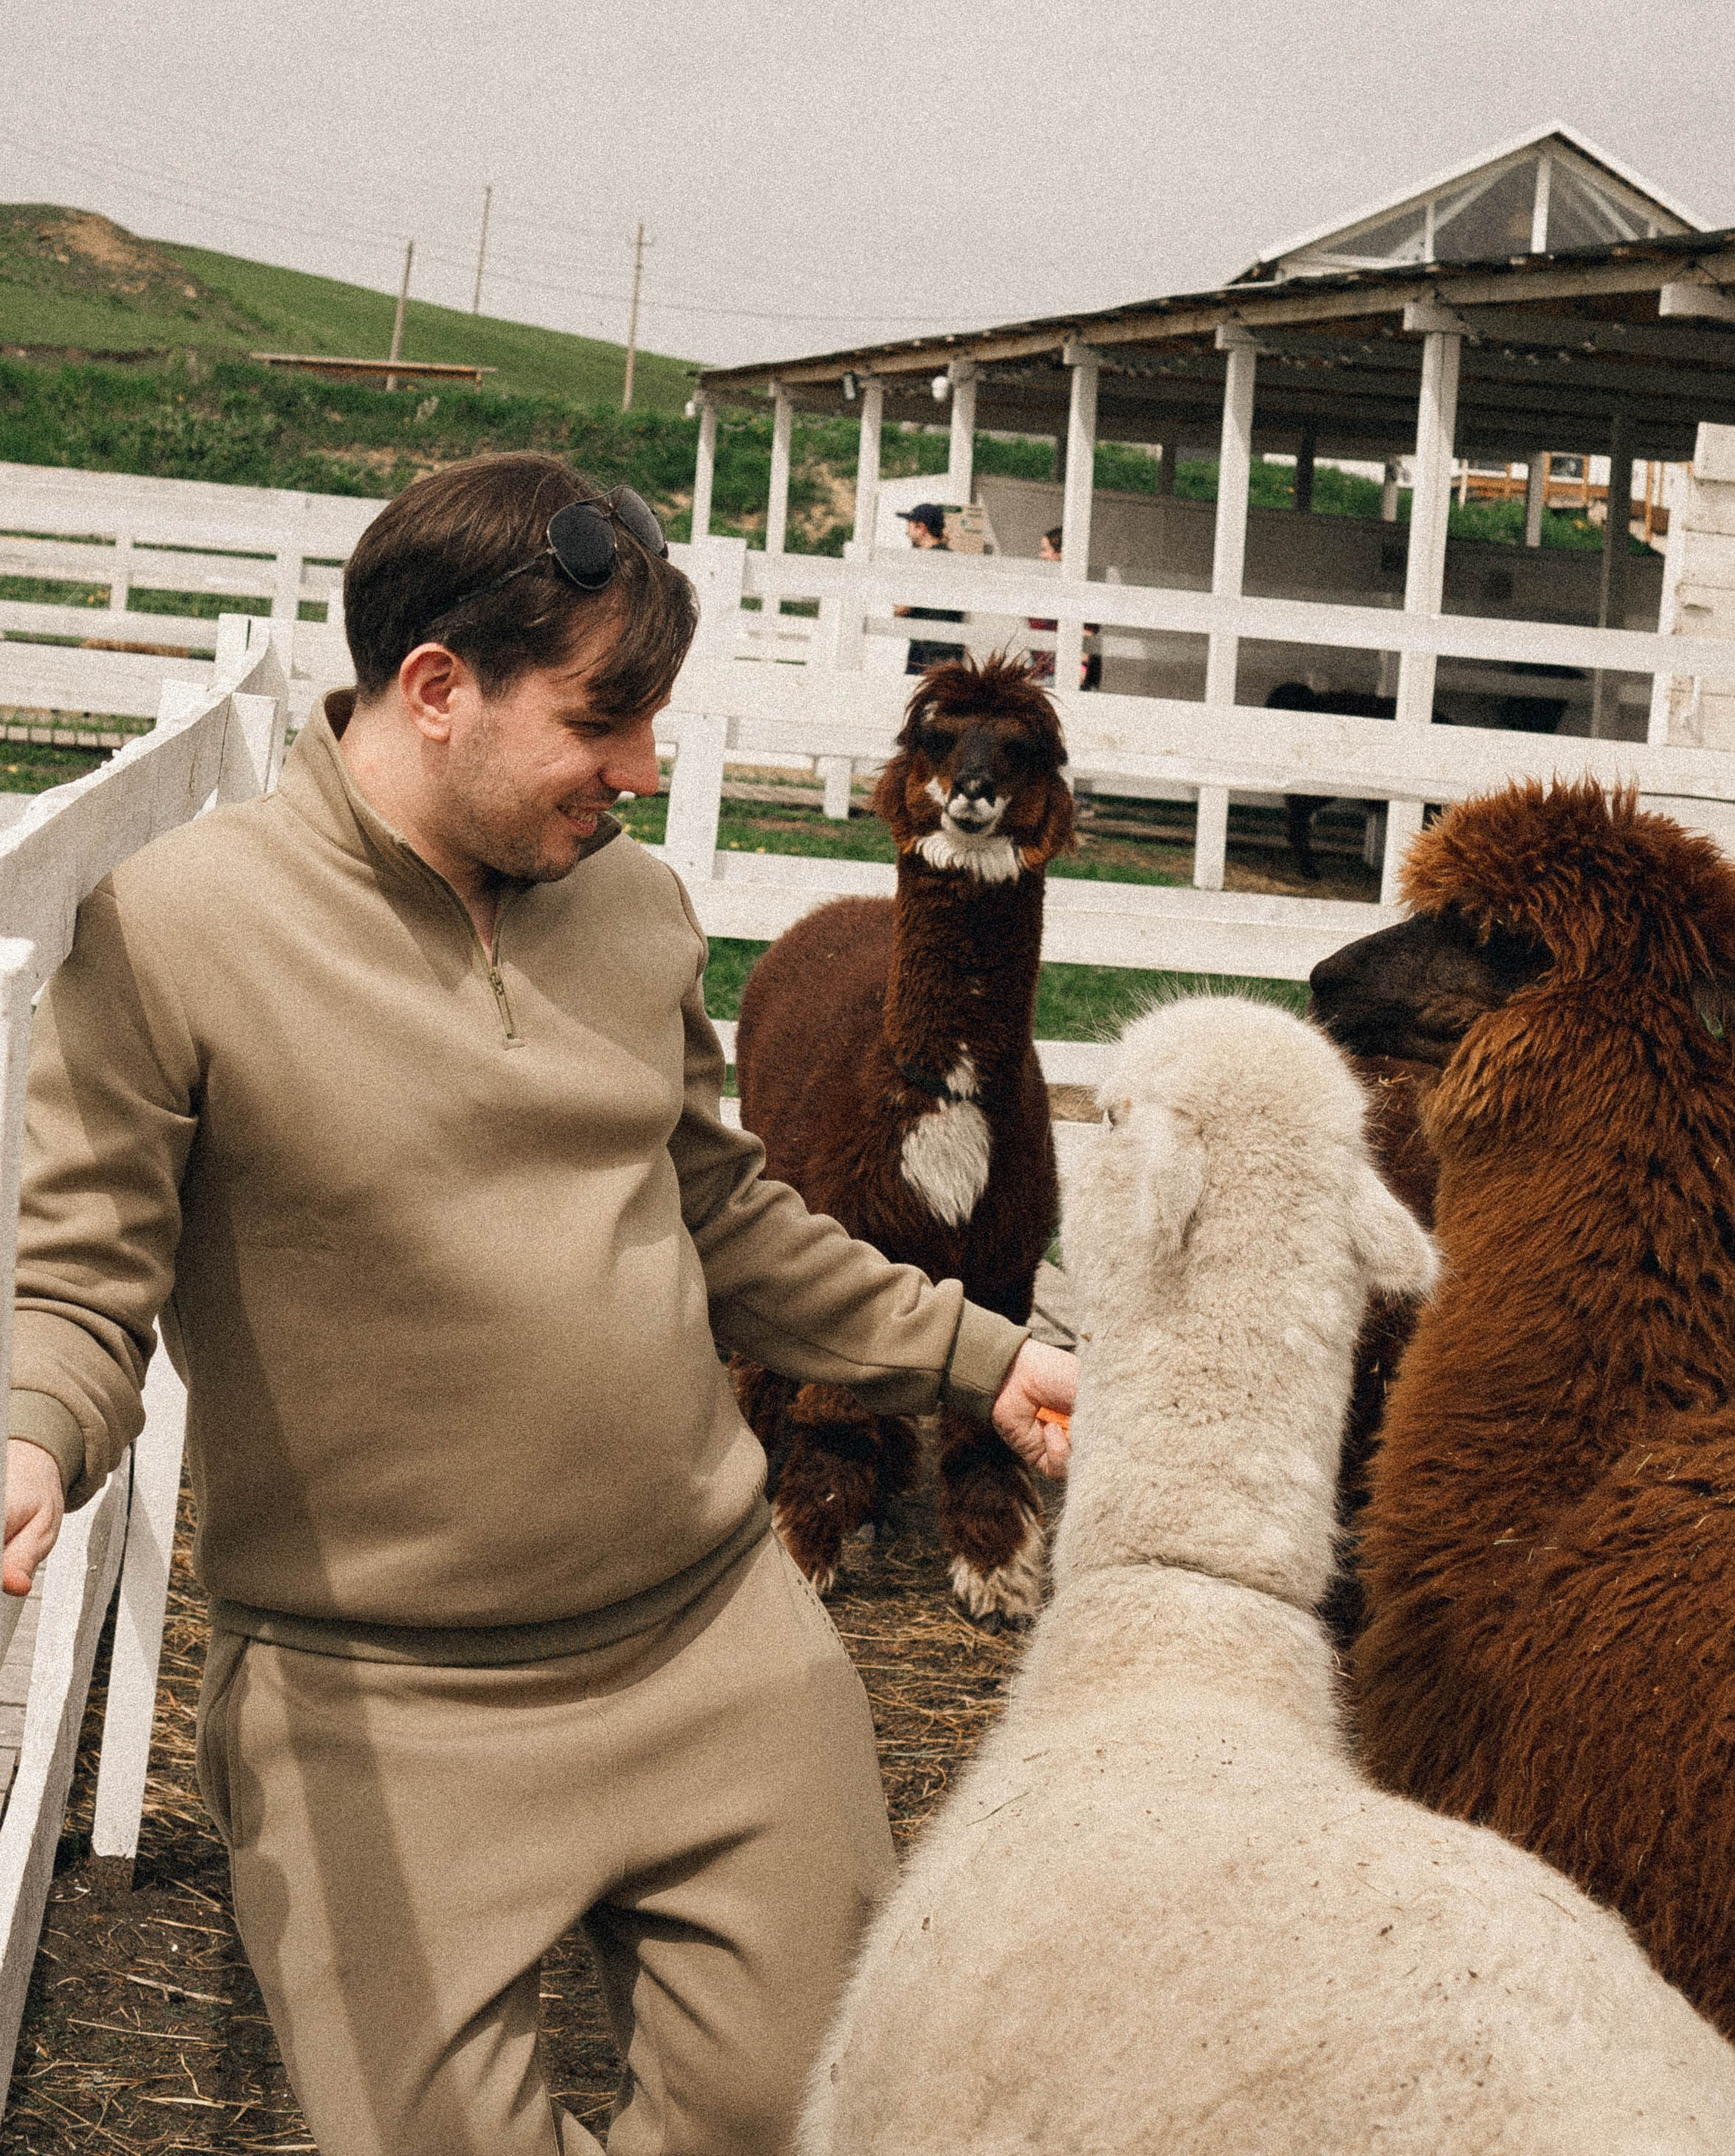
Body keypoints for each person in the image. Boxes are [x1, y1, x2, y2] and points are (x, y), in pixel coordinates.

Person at [2, 454, 1076, 2156]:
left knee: (816, 2117)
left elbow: (713, 1206)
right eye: (604, 719)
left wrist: (986, 1358)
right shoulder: (179, 937)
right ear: (437, 690)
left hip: (714, 1651)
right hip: (377, 1707)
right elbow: (81, 1278)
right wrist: (32, 1439)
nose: (641, 773)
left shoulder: (633, 912)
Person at [891, 497, 965, 672]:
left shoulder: (922, 562)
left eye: (909, 526)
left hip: (925, 651)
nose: (907, 532)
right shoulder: (954, 560)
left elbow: (902, 608)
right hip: (951, 649)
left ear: (922, 528)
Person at [1026, 525, 1101, 689]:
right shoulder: (1050, 589)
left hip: (1062, 677)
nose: (1041, 555)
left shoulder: (1077, 591)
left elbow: (1085, 635)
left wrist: (1080, 672)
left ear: (1059, 554)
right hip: (1046, 674)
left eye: (1045, 550)